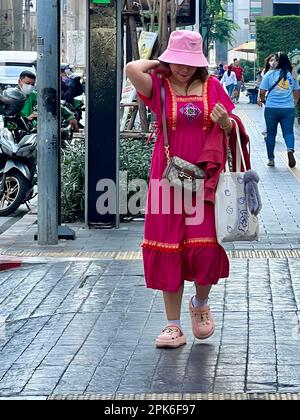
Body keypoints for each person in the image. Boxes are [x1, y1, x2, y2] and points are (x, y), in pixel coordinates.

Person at [126, 30, 251, 348]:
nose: (183, 67)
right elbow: (132, 69)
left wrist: (226, 124)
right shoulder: (160, 87)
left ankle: (200, 304)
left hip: (206, 181)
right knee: (169, 245)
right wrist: (162, 61)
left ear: (200, 64)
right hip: (167, 178)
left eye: (189, 61)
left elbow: (235, 126)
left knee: (205, 246)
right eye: (178, 60)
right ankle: (172, 326)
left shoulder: (212, 87)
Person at [258, 52, 300, 168]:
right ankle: (290, 150)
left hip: (271, 108)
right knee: (288, 132)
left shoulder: (269, 74)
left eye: (276, 60)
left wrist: (263, 101)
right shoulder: (292, 74)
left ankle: (271, 159)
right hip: (288, 109)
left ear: (279, 61)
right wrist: (294, 102)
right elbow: (297, 91)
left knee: (271, 134)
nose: (274, 62)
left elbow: (262, 91)